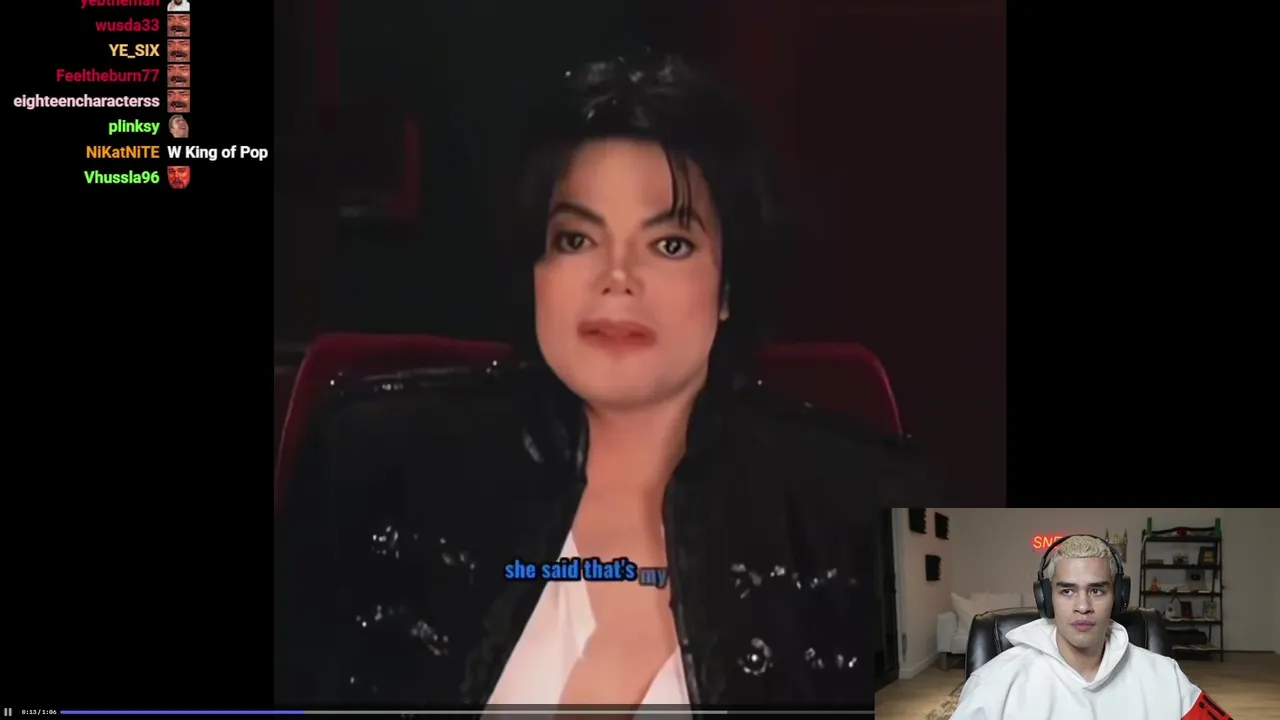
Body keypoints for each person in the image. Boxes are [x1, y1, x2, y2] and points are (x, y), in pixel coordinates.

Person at [273, 52, 940, 711]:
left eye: (669, 244)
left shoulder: (887, 511)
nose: (617, 278)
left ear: (728, 285)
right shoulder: (369, 467)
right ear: (535, 272)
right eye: (577, 240)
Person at [952, 535, 1233, 720]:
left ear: (1119, 597)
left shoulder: (1165, 676)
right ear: (1046, 598)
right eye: (1067, 591)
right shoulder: (995, 682)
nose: (1083, 606)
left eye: (1097, 590)